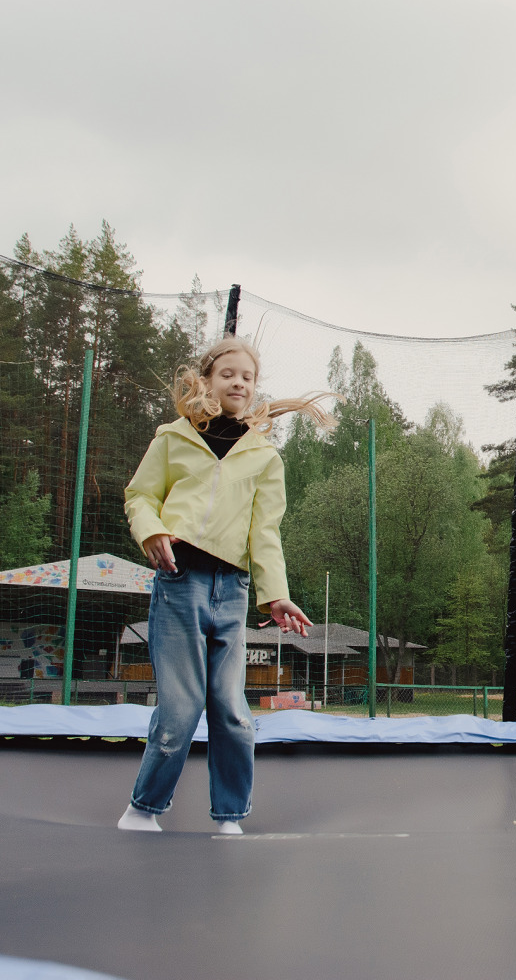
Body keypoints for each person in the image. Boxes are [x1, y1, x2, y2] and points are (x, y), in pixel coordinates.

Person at [117, 336, 336, 833]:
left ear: (255, 388)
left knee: (232, 711)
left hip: (232, 591)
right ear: (207, 381)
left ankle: (230, 815)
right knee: (180, 708)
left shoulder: (263, 457)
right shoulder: (173, 438)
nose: (239, 382)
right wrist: (151, 530)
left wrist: (274, 593)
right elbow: (140, 496)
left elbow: (265, 531)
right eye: (228, 374)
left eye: (248, 377)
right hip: (180, 584)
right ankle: (143, 809)